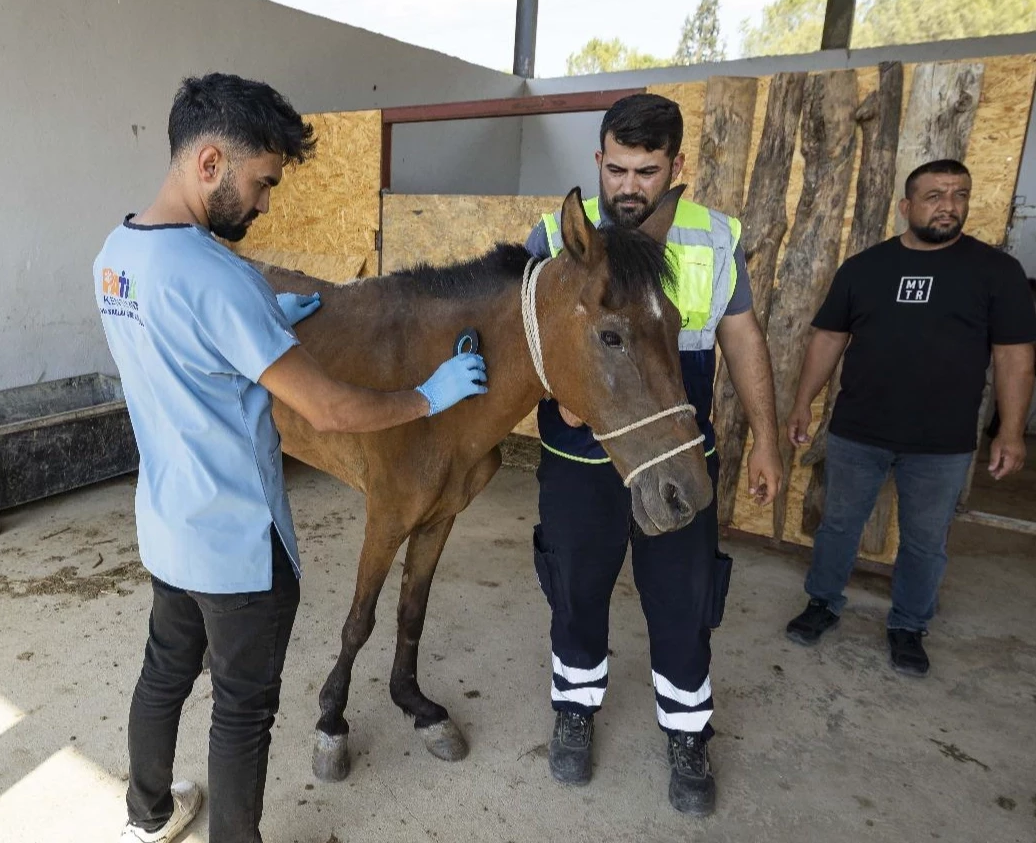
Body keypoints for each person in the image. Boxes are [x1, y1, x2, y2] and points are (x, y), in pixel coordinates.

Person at [94, 72, 488, 843]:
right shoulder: (222, 280)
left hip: (169, 524)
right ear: (209, 163)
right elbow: (333, 409)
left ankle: (148, 812)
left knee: (165, 671)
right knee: (244, 711)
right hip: (241, 546)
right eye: (262, 181)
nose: (267, 201)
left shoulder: (115, 255)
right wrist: (428, 396)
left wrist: (265, 319)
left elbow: (180, 335)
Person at [524, 93, 781, 816]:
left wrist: (765, 436)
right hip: (580, 462)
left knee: (683, 599)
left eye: (646, 170)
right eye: (615, 168)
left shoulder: (710, 237)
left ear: (677, 166)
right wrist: (558, 383)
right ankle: (575, 711)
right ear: (598, 161)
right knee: (575, 590)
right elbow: (521, 333)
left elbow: (743, 338)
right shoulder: (556, 235)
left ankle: (688, 731)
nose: (627, 186)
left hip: (674, 457)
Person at [784, 159, 1036, 677]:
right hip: (859, 430)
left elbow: (1014, 355)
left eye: (959, 194)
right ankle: (823, 603)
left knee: (925, 541)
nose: (949, 205)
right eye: (935, 195)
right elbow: (829, 338)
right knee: (839, 525)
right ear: (906, 206)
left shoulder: (996, 272)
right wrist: (802, 401)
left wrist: (1011, 430)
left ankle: (908, 625)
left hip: (942, 443)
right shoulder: (864, 268)